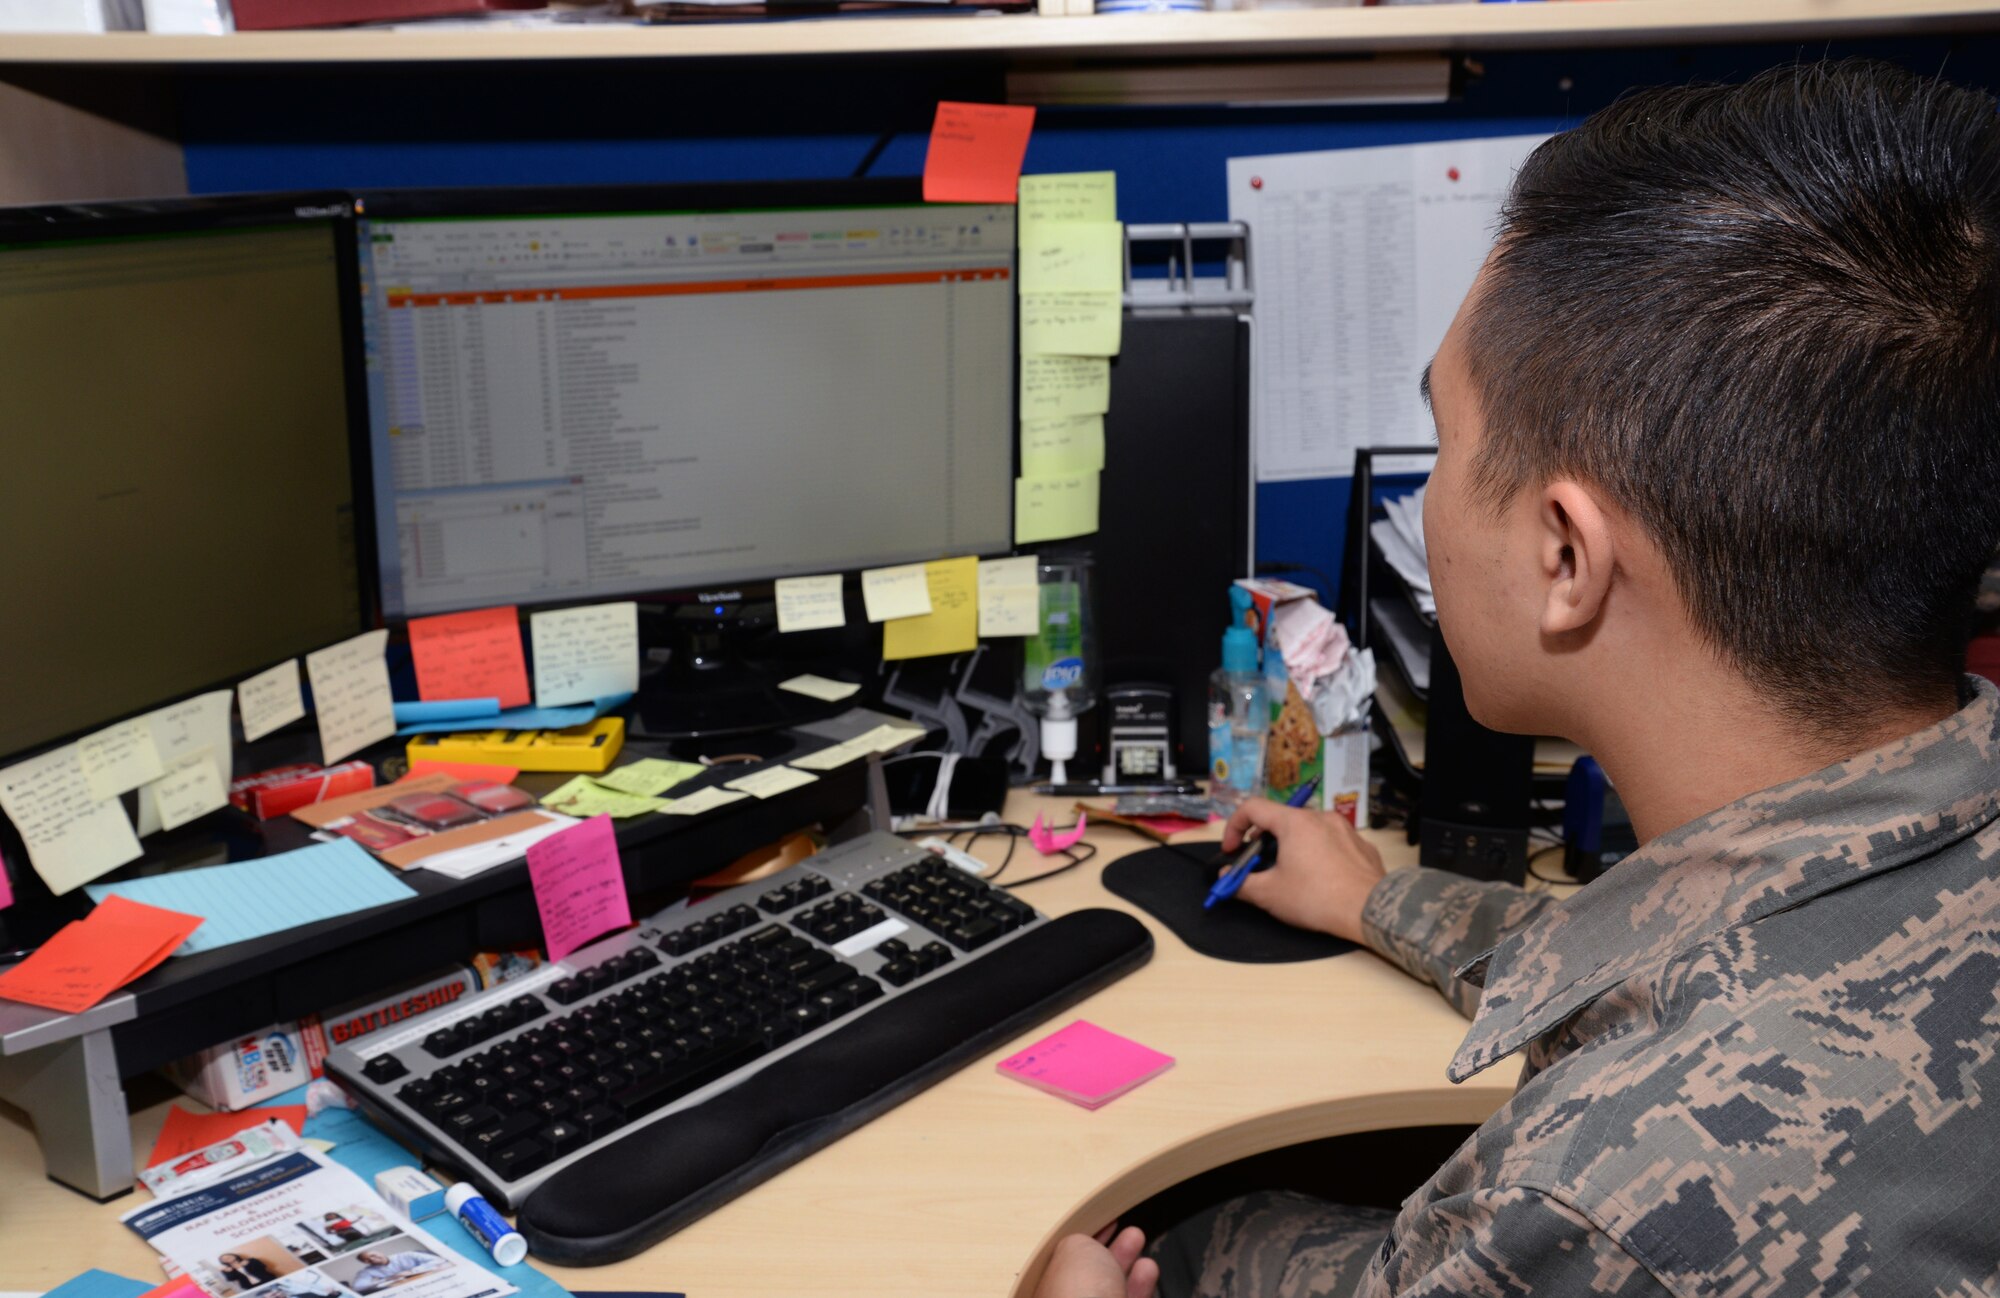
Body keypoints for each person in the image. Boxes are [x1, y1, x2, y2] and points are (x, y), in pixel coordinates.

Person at [1038, 58, 2000, 1298]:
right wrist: (1373, 901)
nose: (1428, 499)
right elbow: (1715, 947)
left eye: (1444, 439)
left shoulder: (1598, 1205)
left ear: (1563, 554)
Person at [345, 1248, 444, 1294]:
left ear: (380, 1251)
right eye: (366, 1260)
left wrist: (412, 1271)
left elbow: (438, 1260)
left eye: (373, 1255)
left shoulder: (407, 1254)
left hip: (428, 1281)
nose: (372, 1259)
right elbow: (358, 1287)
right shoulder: (366, 1271)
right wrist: (387, 1279)